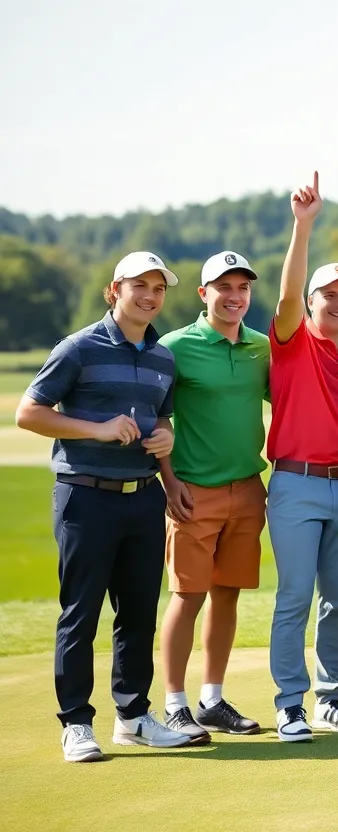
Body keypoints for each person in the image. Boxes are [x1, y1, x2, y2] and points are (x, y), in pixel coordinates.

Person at [16, 250, 191, 761]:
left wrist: (167, 455)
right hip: (85, 496)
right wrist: (97, 428)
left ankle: (133, 716)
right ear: (114, 290)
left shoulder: (163, 357)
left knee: (137, 612)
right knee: (81, 612)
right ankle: (75, 723)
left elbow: (162, 423)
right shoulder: (78, 347)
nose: (150, 296)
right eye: (140, 286)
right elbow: (30, 412)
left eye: (158, 289)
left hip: (144, 498)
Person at [266, 172, 338, 742]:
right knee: (293, 597)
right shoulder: (291, 340)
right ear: (310, 303)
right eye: (328, 294)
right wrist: (303, 227)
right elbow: (284, 296)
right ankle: (290, 703)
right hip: (295, 484)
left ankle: (331, 697)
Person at [157, 250, 268, 742]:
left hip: (248, 490)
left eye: (242, 288)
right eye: (224, 288)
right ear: (204, 295)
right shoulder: (174, 347)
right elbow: (156, 417)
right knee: (187, 595)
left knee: (227, 594)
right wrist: (168, 479)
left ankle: (211, 699)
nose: (234, 297)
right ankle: (175, 703)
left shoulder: (261, 348)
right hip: (192, 493)